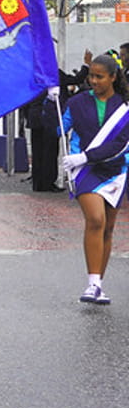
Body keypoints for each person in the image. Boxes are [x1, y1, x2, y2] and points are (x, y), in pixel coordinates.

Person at [60, 55, 129, 305]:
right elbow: (58, 127)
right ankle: (91, 284)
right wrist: (50, 104)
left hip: (115, 170)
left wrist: (86, 156)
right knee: (96, 220)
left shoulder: (125, 106)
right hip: (85, 171)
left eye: (99, 76)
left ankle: (99, 284)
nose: (93, 81)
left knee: (108, 228)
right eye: (91, 76)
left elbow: (121, 145)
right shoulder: (78, 102)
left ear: (113, 77)